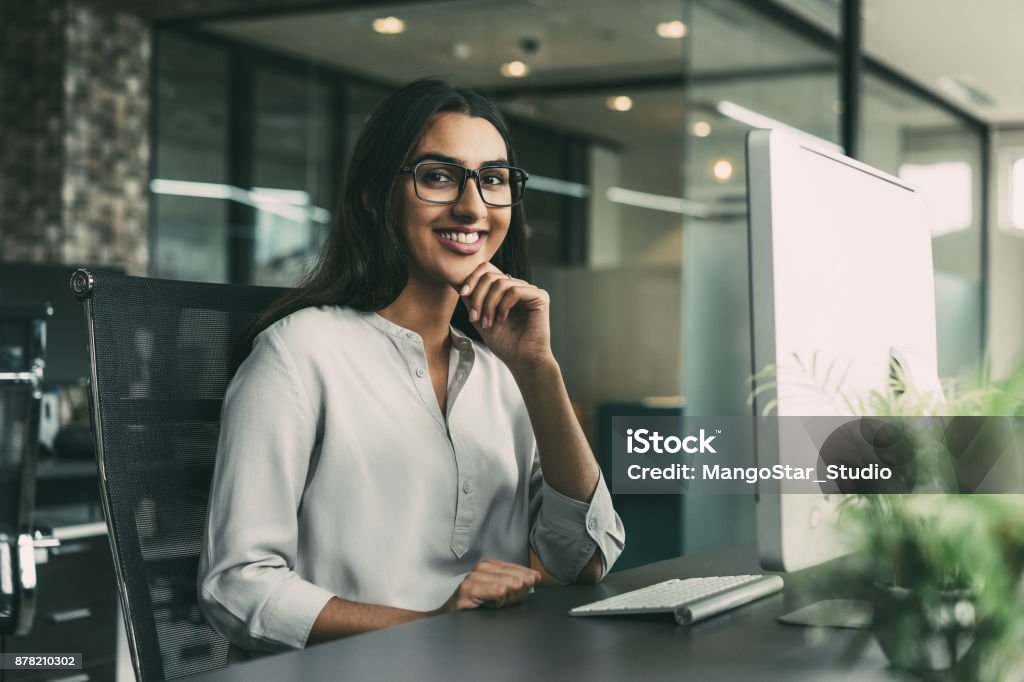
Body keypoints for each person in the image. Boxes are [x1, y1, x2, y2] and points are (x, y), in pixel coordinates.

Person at [198, 78, 625, 653]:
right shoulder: (298, 353)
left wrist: (539, 370)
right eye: (440, 175)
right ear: (378, 194)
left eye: (493, 179)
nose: (472, 205)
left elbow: (584, 560)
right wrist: (430, 627)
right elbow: (236, 587)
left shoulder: (506, 375)